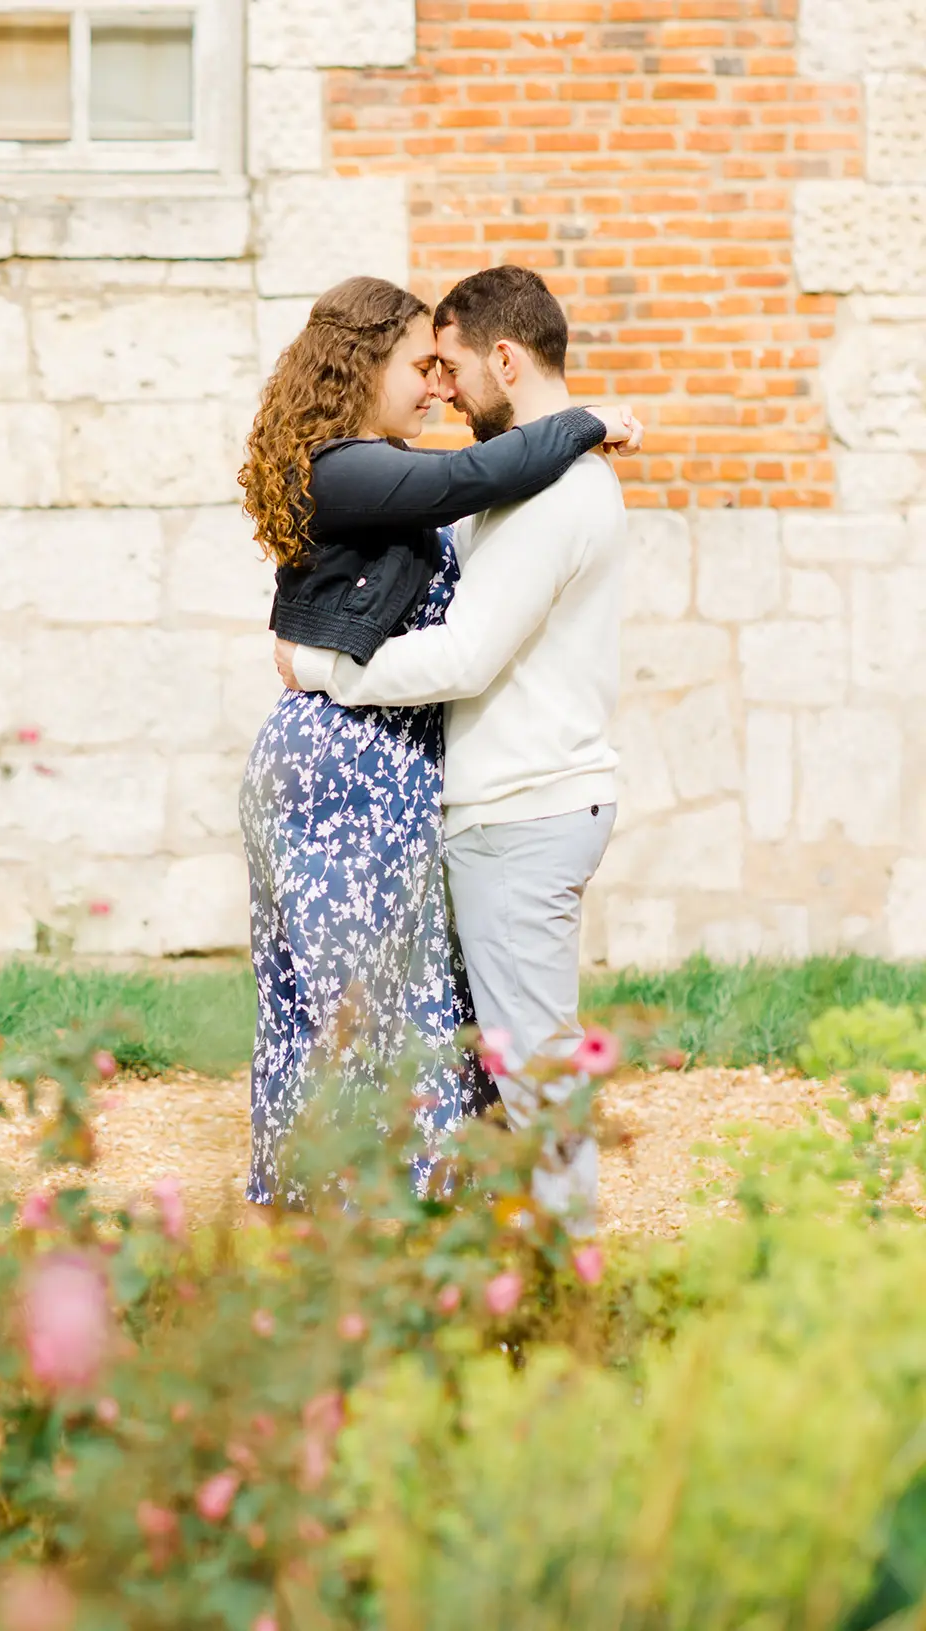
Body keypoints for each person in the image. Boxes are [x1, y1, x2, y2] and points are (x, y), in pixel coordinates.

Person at [237, 274, 641, 1210]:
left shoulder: (519, 488)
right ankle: (360, 1250)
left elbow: (459, 640)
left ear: (502, 358)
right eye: (421, 367)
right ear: (364, 363)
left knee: (419, 1035)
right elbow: (467, 487)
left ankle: (482, 1273)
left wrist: (330, 666)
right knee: (361, 1022)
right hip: (351, 772)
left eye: (445, 366)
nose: (439, 390)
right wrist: (589, 419)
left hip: (427, 781)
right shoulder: (362, 466)